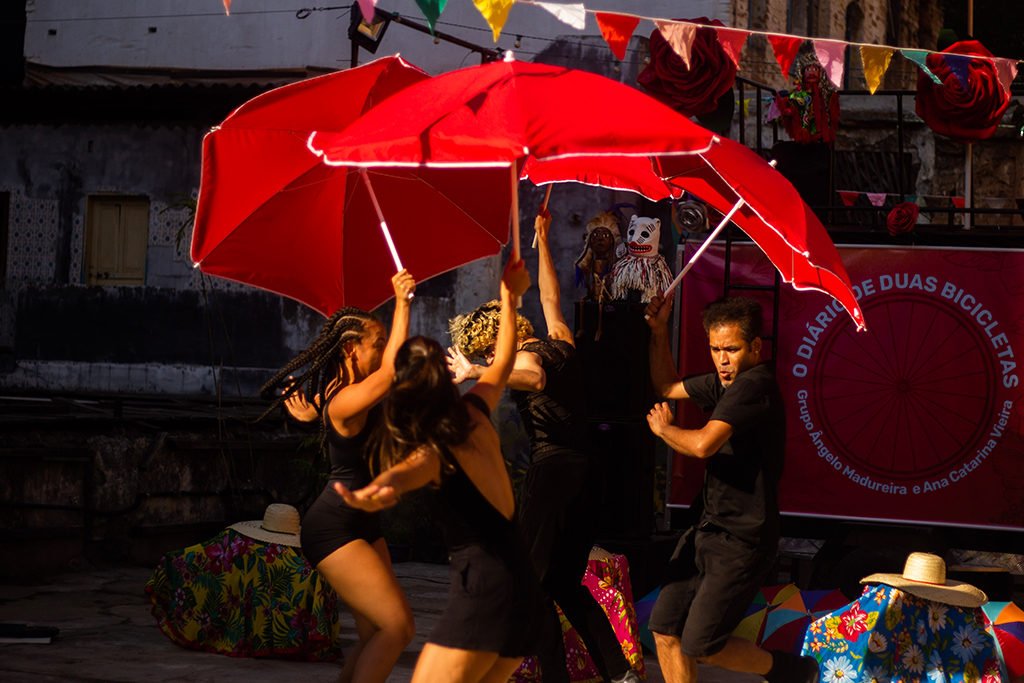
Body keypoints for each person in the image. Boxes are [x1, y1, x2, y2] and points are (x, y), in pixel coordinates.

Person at [447, 209, 638, 683]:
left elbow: (531, 378)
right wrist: (543, 240)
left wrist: (477, 372)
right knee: (564, 583)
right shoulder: (560, 340)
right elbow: (551, 297)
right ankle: (621, 674)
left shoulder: (523, 360)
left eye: (488, 352)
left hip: (554, 474)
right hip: (590, 474)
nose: (489, 359)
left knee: (530, 585)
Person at [337, 257, 542, 683]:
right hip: (525, 595)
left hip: (484, 595)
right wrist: (509, 298)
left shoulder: (434, 451)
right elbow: (503, 362)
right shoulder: (475, 411)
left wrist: (371, 492)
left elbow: (402, 475)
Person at [643, 293, 815, 683]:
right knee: (664, 630)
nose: (722, 359)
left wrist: (666, 430)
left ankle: (794, 671)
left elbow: (704, 444)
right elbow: (666, 385)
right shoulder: (726, 382)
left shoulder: (755, 385)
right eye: (715, 349)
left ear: (755, 348)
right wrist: (659, 330)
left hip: (743, 539)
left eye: (732, 350)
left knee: (703, 644)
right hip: (706, 529)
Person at [258, 270, 416, 683]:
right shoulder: (344, 398)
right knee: (398, 627)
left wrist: (316, 416)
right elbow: (390, 375)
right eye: (378, 344)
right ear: (350, 348)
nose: (383, 351)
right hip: (335, 528)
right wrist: (402, 303)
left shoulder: (340, 395)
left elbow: (345, 413)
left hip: (364, 523)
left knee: (375, 634)